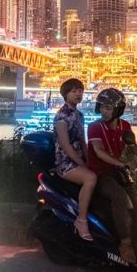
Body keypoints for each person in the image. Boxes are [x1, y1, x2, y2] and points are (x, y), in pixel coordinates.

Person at [86, 88, 137, 264]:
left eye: (108, 108)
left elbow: (134, 149)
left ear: (118, 110)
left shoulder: (125, 127)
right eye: (101, 107)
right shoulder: (94, 127)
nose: (104, 111)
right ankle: (125, 244)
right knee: (120, 197)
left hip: (119, 173)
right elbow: (99, 151)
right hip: (100, 173)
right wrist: (121, 164)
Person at [53, 78, 97, 241]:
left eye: (80, 91)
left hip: (78, 160)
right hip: (65, 162)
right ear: (65, 94)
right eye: (74, 91)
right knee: (90, 178)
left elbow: (82, 142)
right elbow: (65, 146)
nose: (78, 94)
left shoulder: (79, 115)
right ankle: (81, 221)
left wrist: (90, 161)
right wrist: (82, 164)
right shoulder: (62, 116)